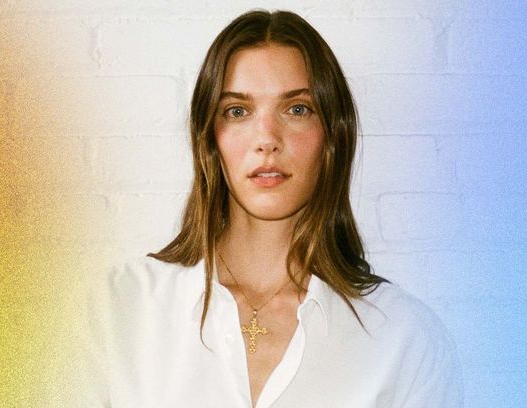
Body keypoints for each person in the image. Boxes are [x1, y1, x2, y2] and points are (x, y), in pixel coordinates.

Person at [74, 9, 463, 408]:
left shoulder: (405, 342)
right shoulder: (118, 310)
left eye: (297, 109)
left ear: (333, 136)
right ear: (210, 138)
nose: (267, 139)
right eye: (237, 111)